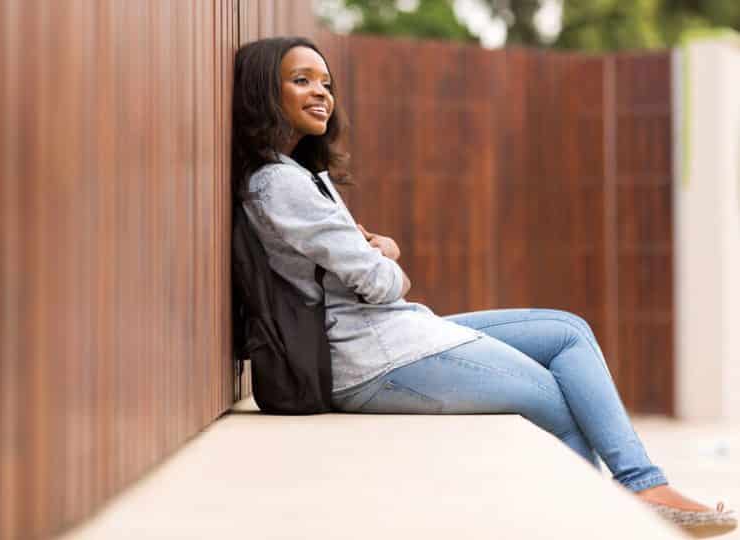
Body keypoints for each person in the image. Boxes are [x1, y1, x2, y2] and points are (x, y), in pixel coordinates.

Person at [231, 36, 736, 536]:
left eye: (326, 83)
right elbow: (381, 283)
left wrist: (371, 253)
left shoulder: (301, 175)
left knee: (566, 332)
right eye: (301, 81)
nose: (321, 93)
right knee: (557, 401)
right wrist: (384, 255)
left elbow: (358, 269)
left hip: (393, 334)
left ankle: (642, 486)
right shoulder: (280, 184)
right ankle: (609, 517)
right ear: (264, 93)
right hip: (366, 358)